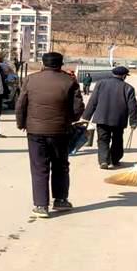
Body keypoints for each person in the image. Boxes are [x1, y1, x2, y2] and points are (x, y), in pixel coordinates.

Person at [15, 52, 85, 218]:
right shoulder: (69, 81)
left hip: (35, 131)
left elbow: (21, 105)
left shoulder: (31, 80)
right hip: (60, 131)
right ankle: (60, 200)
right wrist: (69, 120)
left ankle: (41, 205)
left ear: (43, 63)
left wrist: (21, 123)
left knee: (39, 167)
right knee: (60, 165)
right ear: (61, 64)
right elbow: (77, 109)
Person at [82, 65, 137, 169]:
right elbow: (132, 106)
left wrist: (86, 117)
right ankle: (114, 159)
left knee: (103, 139)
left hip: (102, 118)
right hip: (119, 120)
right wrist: (134, 122)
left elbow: (93, 101)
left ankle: (103, 161)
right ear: (123, 76)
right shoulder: (128, 88)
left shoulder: (100, 83)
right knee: (117, 139)